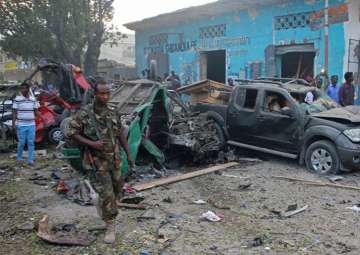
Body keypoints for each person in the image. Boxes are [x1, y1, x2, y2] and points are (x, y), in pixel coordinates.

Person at [67, 77, 134, 244]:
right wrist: (92, 144)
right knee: (107, 193)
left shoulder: (113, 111)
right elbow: (72, 133)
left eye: (108, 93)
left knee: (118, 190)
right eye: (102, 94)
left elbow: (120, 134)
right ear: (95, 94)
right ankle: (110, 225)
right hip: (97, 162)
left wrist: (129, 154)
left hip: (115, 159)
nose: (106, 97)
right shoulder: (84, 114)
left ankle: (103, 207)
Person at [12, 81, 39, 166]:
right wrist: (13, 124)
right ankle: (19, 157)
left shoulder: (33, 100)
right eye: (21, 88)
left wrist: (41, 118)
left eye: (24, 88)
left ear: (28, 89)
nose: (22, 90)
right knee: (22, 143)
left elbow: (36, 111)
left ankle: (30, 160)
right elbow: (14, 112)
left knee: (31, 142)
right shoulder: (17, 99)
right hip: (21, 125)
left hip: (31, 124)